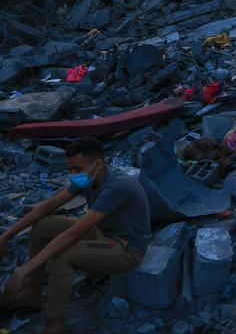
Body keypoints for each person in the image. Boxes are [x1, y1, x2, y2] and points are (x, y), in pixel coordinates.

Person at [0, 138, 152, 334]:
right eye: (69, 169)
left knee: (63, 258)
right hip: (103, 233)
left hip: (125, 249)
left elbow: (75, 232)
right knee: (43, 225)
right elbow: (47, 206)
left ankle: (54, 325)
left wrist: (24, 270)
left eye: (76, 169)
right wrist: (6, 236)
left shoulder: (116, 186)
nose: (72, 174)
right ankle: (32, 295)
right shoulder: (89, 176)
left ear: (97, 164)